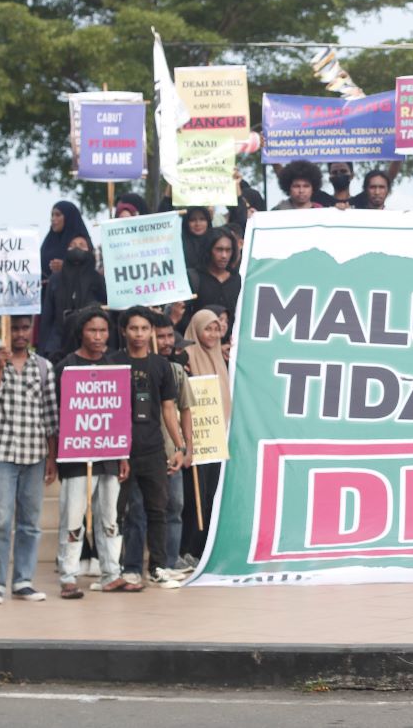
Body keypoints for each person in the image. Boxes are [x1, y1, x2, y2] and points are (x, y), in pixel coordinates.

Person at [0, 315, 58, 603]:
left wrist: (52, 457)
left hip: (35, 454)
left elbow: (50, 415)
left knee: (30, 522)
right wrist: (0, 367)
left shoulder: (43, 367)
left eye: (25, 328)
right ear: (5, 330)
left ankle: (23, 580)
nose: (20, 334)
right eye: (15, 328)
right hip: (3, 452)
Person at [111, 306, 187, 590]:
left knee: (158, 509)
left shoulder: (161, 366)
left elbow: (169, 409)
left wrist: (179, 446)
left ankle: (158, 566)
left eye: (144, 329)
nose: (139, 334)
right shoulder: (112, 363)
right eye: (134, 328)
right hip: (121, 450)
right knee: (128, 511)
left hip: (154, 448)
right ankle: (129, 568)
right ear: (123, 331)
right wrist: (115, 451)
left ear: (151, 332)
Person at [52, 308, 125, 597]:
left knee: (110, 519)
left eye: (103, 331)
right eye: (92, 330)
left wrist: (122, 456)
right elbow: (57, 415)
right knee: (72, 520)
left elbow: (121, 415)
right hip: (75, 458)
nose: (98, 336)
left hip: (109, 458)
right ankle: (68, 576)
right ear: (81, 332)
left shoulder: (114, 366)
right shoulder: (66, 367)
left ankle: (111, 573)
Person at [180, 309, 231, 563]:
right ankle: (185, 548)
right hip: (195, 438)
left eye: (215, 329)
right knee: (193, 497)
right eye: (206, 329)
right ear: (196, 330)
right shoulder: (186, 356)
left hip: (217, 438)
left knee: (210, 495)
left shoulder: (220, 357)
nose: (211, 334)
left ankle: (201, 549)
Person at [39, 236, 106, 360]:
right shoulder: (55, 279)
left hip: (90, 347)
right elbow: (47, 315)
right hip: (57, 346)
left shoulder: (98, 280)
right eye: (73, 245)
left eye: (82, 245)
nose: (77, 248)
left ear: (89, 250)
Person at [187, 229, 240, 339]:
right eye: (219, 250)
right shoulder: (195, 278)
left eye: (228, 250)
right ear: (209, 250)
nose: (224, 255)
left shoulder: (237, 280)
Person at [318, 160, 403, 209]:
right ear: (329, 177)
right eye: (334, 172)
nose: (339, 174)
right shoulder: (321, 199)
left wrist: (400, 149)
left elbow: (388, 177)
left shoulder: (361, 200)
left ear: (352, 175)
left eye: (343, 171)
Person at [39, 201, 91, 280]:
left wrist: (66, 267)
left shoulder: (82, 242)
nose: (53, 219)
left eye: (58, 215)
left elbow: (90, 271)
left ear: (69, 217)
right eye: (52, 215)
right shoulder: (48, 242)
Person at [180, 207, 213, 273]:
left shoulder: (215, 241)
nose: (198, 224)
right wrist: (167, 199)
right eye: (192, 220)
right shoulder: (179, 243)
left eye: (202, 219)